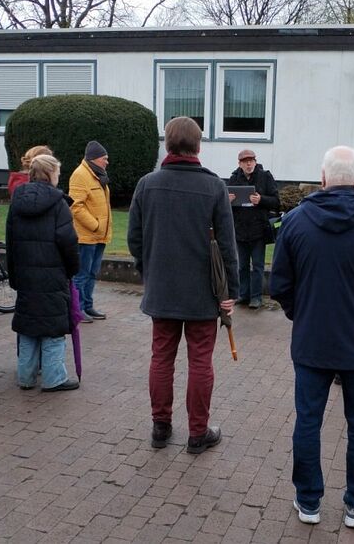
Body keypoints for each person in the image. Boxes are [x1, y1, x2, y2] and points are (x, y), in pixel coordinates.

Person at [270, 146, 354, 529]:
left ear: (323, 178)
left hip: (312, 340)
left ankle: (308, 500)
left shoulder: (296, 221)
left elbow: (279, 284)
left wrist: (302, 314)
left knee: (308, 420)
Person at [128, 116, 238, 454]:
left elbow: (134, 239)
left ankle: (160, 427)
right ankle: (197, 433)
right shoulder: (214, 187)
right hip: (203, 293)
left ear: (167, 144)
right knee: (200, 361)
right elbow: (228, 245)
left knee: (161, 358)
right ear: (198, 146)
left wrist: (150, 272)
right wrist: (231, 292)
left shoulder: (147, 184)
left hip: (162, 289)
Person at [7, 154, 81, 391]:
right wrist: (72, 269)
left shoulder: (16, 202)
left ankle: (25, 376)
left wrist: (14, 275)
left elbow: (10, 241)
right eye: (57, 172)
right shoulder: (59, 204)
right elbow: (68, 242)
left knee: (28, 326)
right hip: (53, 274)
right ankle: (53, 377)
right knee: (54, 327)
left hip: (25, 274)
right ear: (50, 174)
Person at [227, 149, 280, 309]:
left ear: (255, 162)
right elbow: (225, 206)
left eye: (251, 160)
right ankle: (243, 295)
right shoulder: (233, 179)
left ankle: (256, 297)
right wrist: (228, 201)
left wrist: (261, 199)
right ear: (240, 164)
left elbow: (276, 201)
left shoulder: (265, 177)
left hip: (259, 229)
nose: (249, 164)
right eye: (245, 161)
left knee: (257, 265)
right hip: (240, 229)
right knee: (242, 266)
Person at [69, 141, 112, 324]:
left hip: (99, 235)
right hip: (86, 236)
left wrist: (101, 228)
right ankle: (77, 310)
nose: (107, 162)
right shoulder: (80, 175)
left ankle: (87, 305)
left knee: (92, 273)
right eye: (104, 159)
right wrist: (95, 225)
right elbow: (75, 206)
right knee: (82, 274)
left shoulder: (97, 175)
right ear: (94, 159)